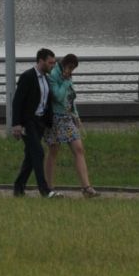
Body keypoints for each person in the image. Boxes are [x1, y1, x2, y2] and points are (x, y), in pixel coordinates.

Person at [44, 53, 98, 198]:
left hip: (68, 117)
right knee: (53, 151)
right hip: (55, 118)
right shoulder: (54, 74)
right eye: (70, 67)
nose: (71, 71)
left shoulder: (68, 75)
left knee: (79, 149)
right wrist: (66, 81)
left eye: (73, 69)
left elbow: (70, 97)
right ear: (65, 64)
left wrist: (76, 115)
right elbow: (58, 96)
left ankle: (86, 187)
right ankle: (48, 187)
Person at [11, 47, 61, 197]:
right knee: (38, 153)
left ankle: (18, 187)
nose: (53, 66)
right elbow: (17, 101)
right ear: (41, 61)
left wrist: (48, 123)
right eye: (50, 63)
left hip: (39, 123)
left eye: (54, 63)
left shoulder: (46, 78)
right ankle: (44, 190)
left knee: (31, 157)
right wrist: (17, 124)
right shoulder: (28, 76)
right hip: (28, 122)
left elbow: (45, 102)